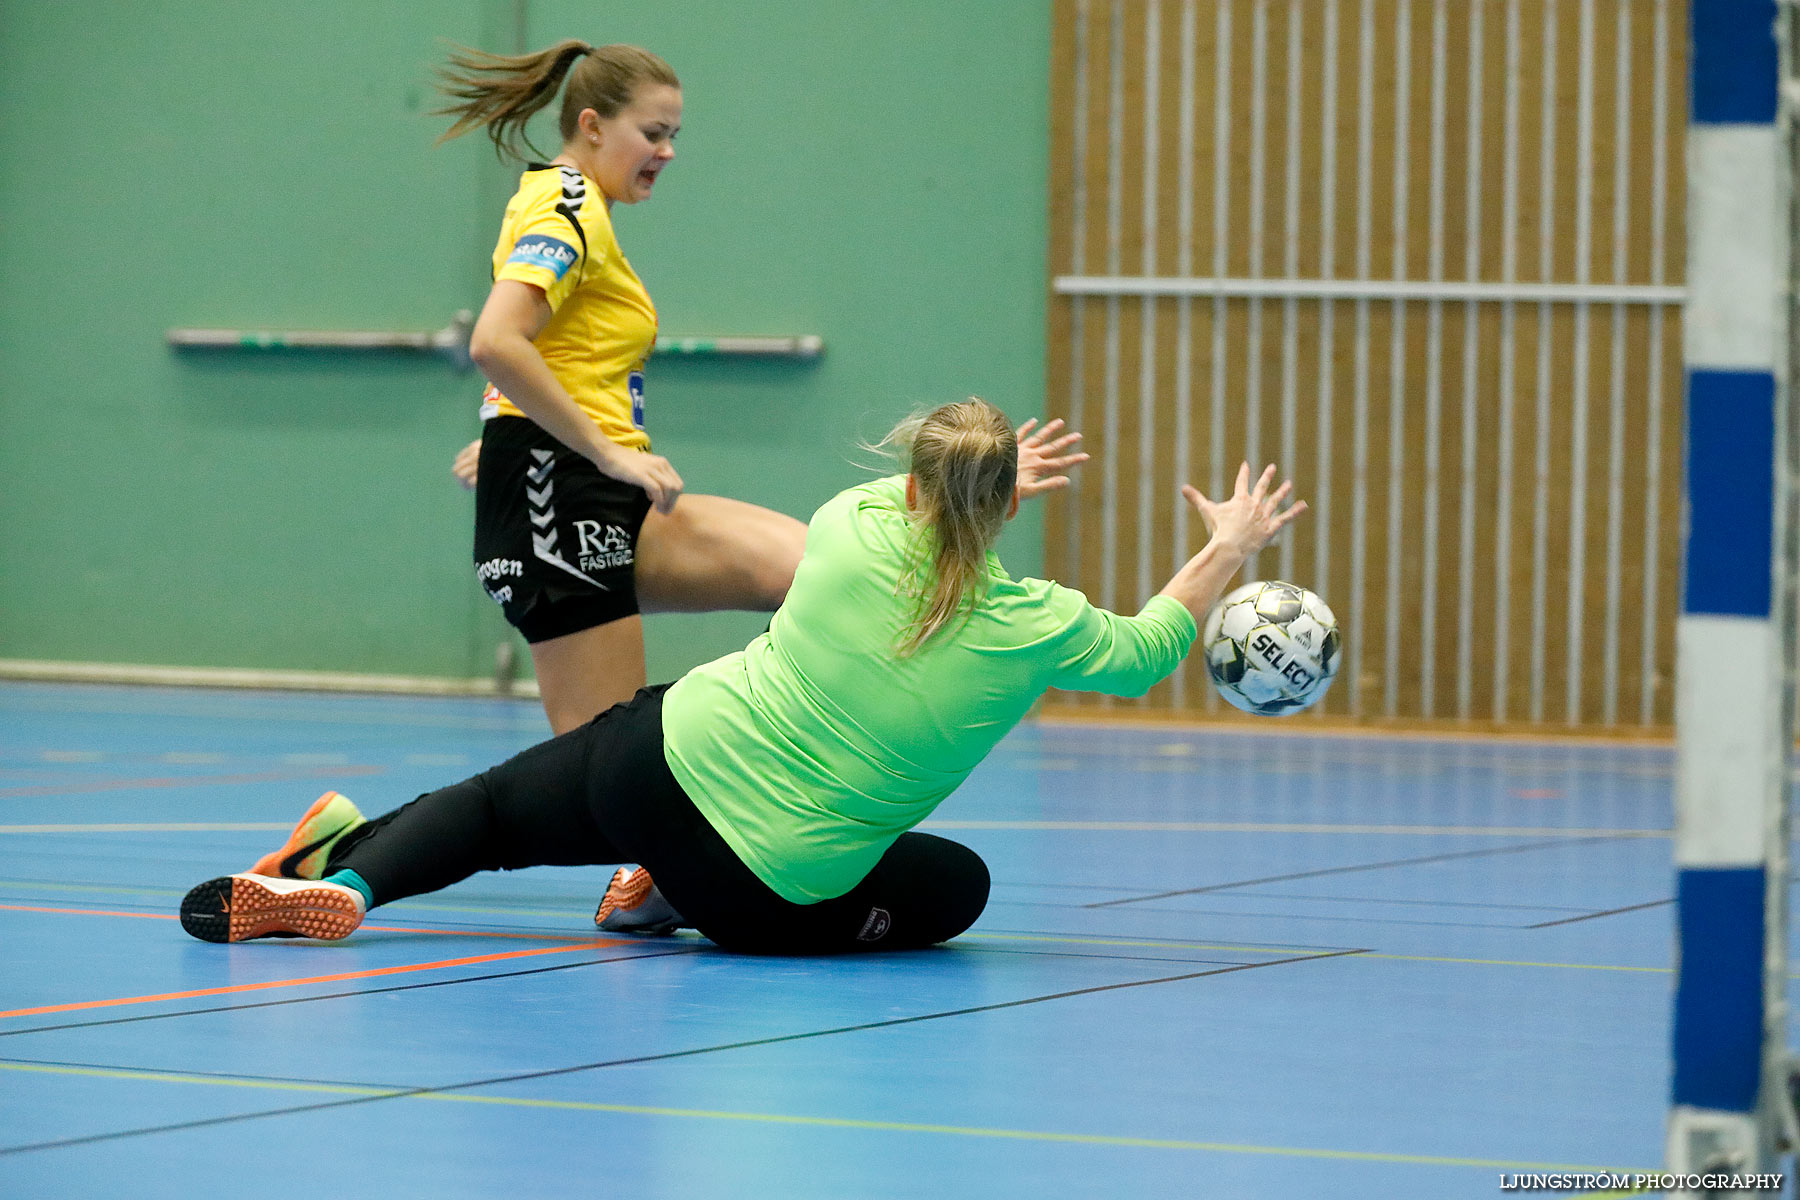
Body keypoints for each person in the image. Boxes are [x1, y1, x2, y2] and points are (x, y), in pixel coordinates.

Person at [180, 400, 1305, 954]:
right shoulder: (1044, 627)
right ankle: (655, 893)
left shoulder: (852, 523)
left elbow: (941, 501)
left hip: (659, 765)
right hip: (760, 891)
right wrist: (1229, 546)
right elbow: (1156, 646)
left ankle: (349, 886)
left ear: (916, 484)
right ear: (1009, 505)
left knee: (491, 812)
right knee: (954, 884)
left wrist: (987, 479)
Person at [438, 39, 808, 735]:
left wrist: (508, 421)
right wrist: (597, 450)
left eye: (673, 136)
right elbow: (496, 339)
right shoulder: (566, 207)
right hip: (565, 497)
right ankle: (367, 843)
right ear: (592, 126)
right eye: (652, 133)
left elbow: (555, 347)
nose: (666, 151)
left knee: (812, 571)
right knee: (599, 774)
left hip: (594, 488)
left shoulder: (584, 211)